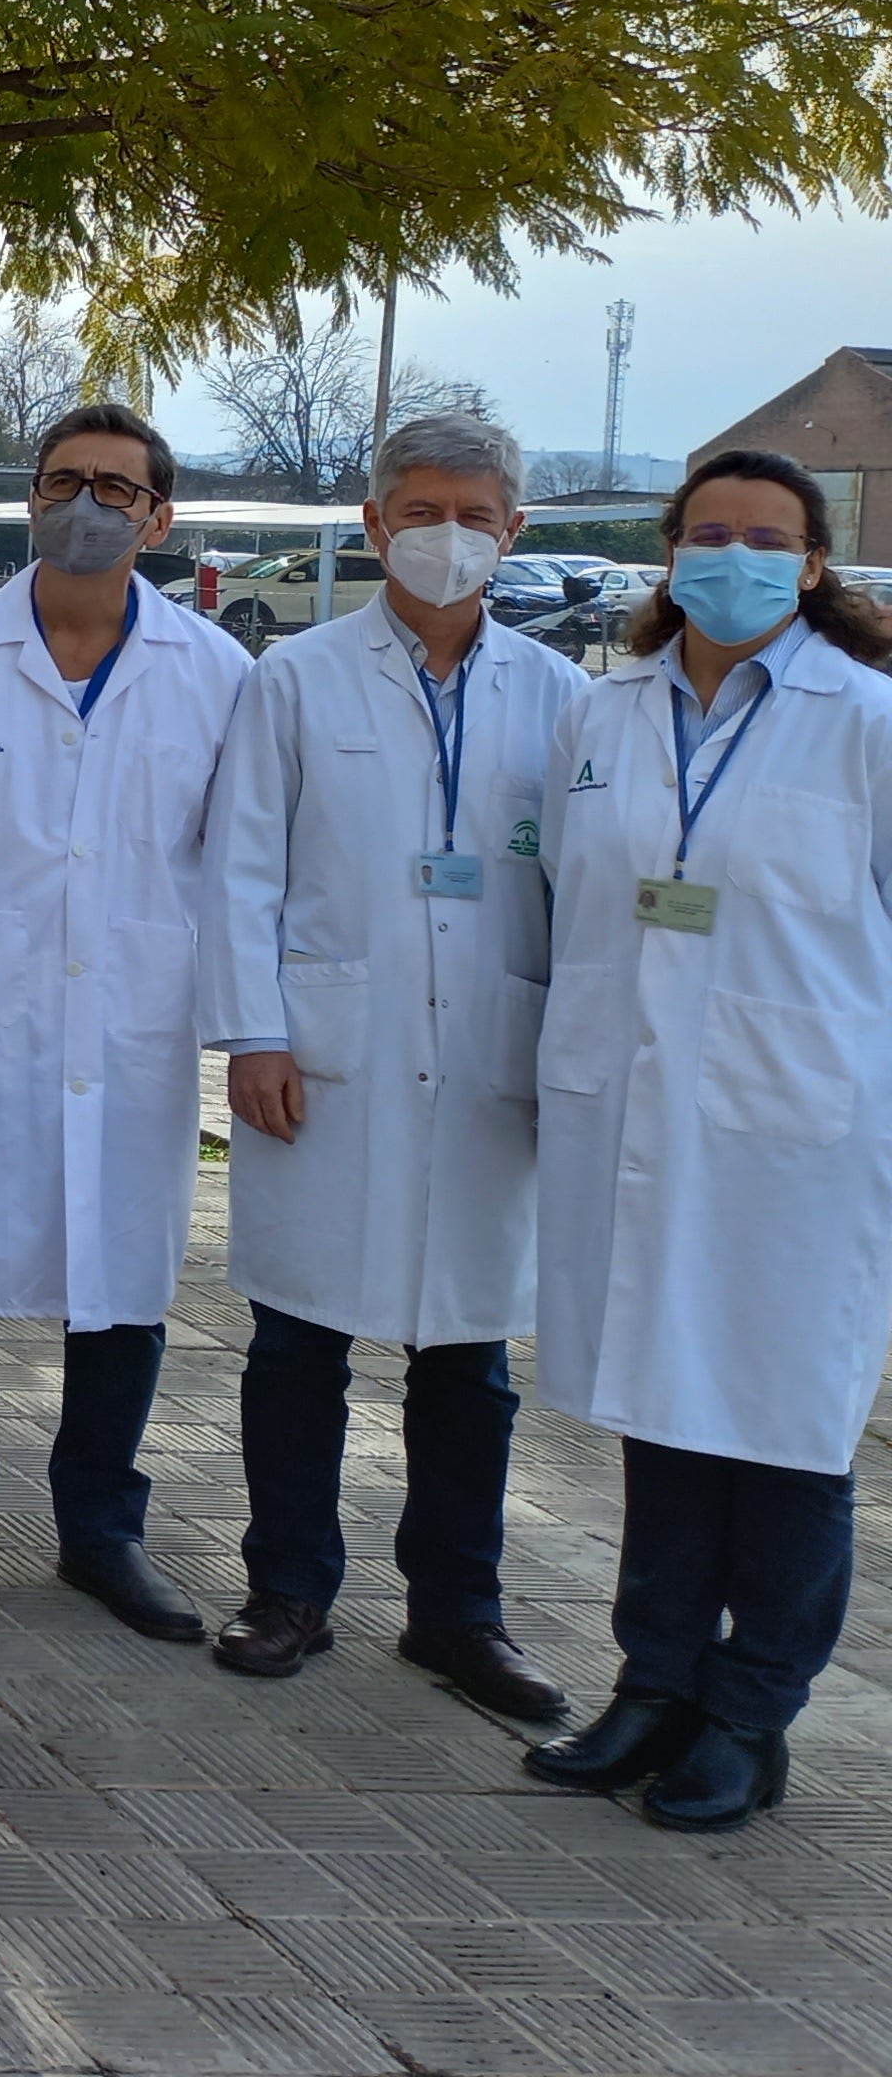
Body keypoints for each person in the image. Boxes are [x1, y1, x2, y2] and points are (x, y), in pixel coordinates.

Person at [517, 449, 892, 1832]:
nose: (732, 556)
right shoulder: (605, 715)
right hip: (636, 1114)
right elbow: (573, 896)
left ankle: (749, 1717)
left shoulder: (868, 721)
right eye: (708, 533)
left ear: (810, 565)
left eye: (766, 537)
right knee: (660, 1416)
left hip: (804, 1143)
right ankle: (653, 1686)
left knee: (786, 1432)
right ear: (671, 553)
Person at [203, 411, 579, 1717]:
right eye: (420, 512)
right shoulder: (296, 681)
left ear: (514, 532)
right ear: (373, 527)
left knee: (468, 1357)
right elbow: (241, 867)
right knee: (299, 1340)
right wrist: (252, 1029)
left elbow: (583, 890)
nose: (447, 537)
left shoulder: (560, 697)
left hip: (490, 1062)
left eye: (475, 515)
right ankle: (288, 1589)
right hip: (324, 1060)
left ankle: (458, 1614)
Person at [0, 402, 248, 1640]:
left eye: (117, 488)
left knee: (123, 1276)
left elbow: (230, 859)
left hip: (133, 1021)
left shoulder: (217, 675)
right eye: (63, 481)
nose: (87, 504)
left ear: (160, 516)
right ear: (29, 497)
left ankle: (101, 1528)